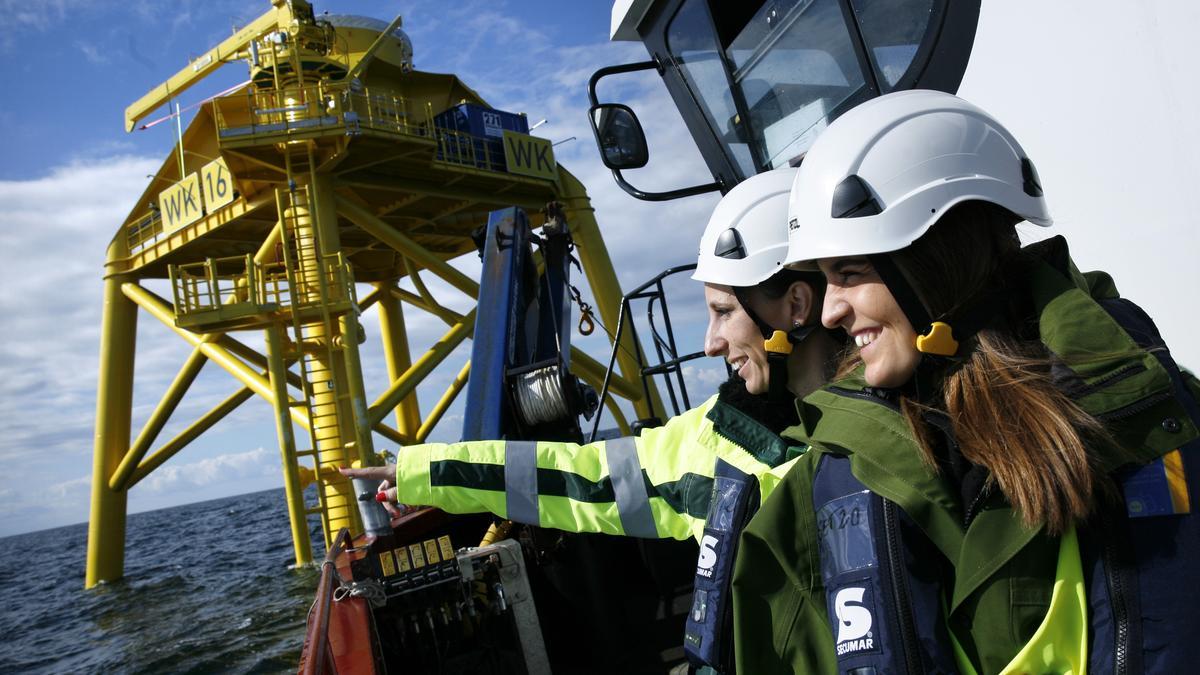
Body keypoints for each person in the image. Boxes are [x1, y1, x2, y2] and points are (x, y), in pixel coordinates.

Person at [730, 89, 1200, 675]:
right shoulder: (838, 469)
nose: (831, 313)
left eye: (850, 273)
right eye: (826, 281)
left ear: (936, 262)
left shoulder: (1140, 393)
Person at [342, 167, 844, 673]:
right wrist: (422, 471)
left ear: (796, 305)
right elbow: (581, 478)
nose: (710, 341)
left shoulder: (893, 441)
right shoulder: (711, 441)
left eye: (723, 312)